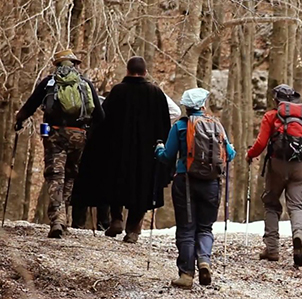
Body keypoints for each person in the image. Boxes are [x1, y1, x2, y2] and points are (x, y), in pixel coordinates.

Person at [71, 56, 171, 243]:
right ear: (145, 72)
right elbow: (164, 125)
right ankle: (133, 229)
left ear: (127, 71)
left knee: (116, 184)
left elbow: (102, 120)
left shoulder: (118, 91)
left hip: (118, 151)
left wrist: (95, 143)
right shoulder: (156, 93)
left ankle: (116, 218)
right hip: (146, 154)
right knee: (142, 188)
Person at [14, 49, 104, 238]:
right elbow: (100, 115)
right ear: (74, 64)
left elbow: (30, 106)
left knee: (55, 175)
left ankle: (57, 219)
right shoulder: (85, 83)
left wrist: (19, 119)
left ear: (57, 64)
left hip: (54, 133)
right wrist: (87, 132)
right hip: (79, 135)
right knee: (70, 175)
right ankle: (64, 219)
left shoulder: (49, 82)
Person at [155, 88, 235, 289]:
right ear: (202, 105)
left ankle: (186, 274)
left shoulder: (180, 126)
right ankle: (204, 260)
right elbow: (230, 154)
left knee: (186, 228)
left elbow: (167, 157)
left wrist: (158, 149)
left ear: (186, 106)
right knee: (205, 227)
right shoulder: (216, 125)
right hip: (211, 184)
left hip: (186, 183)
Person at [71, 91, 180, 231]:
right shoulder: (154, 98)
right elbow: (175, 112)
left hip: (117, 146)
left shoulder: (117, 96)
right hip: (146, 148)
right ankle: (132, 228)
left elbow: (102, 121)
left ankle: (114, 220)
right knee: (141, 185)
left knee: (113, 180)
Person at [245, 84, 302, 266]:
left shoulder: (272, 116)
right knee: (297, 207)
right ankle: (299, 237)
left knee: (272, 204)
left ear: (276, 100)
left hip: (277, 165)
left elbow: (261, 142)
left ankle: (272, 249)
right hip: (301, 167)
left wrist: (250, 155)